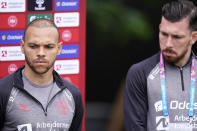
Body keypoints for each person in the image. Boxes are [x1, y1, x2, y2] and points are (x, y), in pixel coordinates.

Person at [124, 0, 197, 130]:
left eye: (176, 37)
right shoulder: (140, 73)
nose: (168, 43)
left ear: (193, 38)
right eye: (164, 34)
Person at [0, 18, 84, 131]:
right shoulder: (3, 91)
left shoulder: (73, 94)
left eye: (48, 47)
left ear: (59, 48)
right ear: (22, 47)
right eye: (33, 46)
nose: (41, 53)